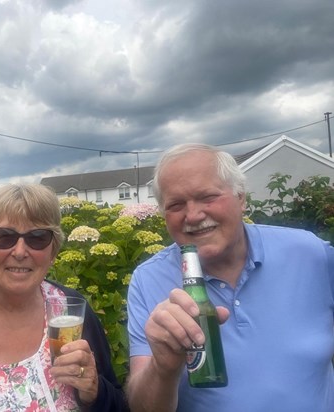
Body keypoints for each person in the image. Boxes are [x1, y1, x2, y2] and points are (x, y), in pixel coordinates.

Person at [126, 143, 334, 411]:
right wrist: (162, 368)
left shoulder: (309, 254)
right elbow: (143, 408)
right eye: (176, 205)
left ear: (241, 198)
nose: (194, 215)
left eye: (207, 197)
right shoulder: (148, 280)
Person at [0, 183, 128, 411]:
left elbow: (118, 404)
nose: (20, 251)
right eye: (4, 237)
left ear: (53, 251)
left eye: (37, 237)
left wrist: (94, 391)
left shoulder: (72, 312)